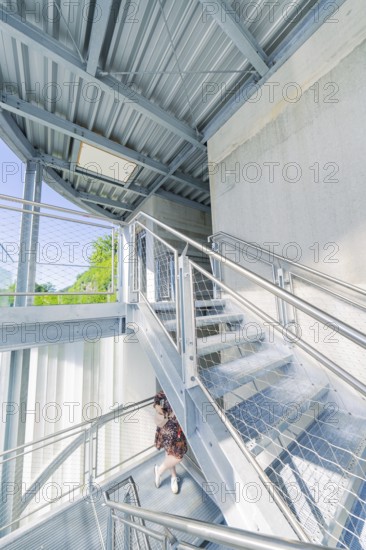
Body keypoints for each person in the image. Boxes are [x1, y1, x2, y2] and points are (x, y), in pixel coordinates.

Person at [153, 390, 187, 494]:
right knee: (169, 453)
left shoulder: (183, 391)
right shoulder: (167, 390)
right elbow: (157, 400)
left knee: (178, 456)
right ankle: (173, 477)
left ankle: (159, 471)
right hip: (166, 428)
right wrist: (158, 407)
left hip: (178, 431)